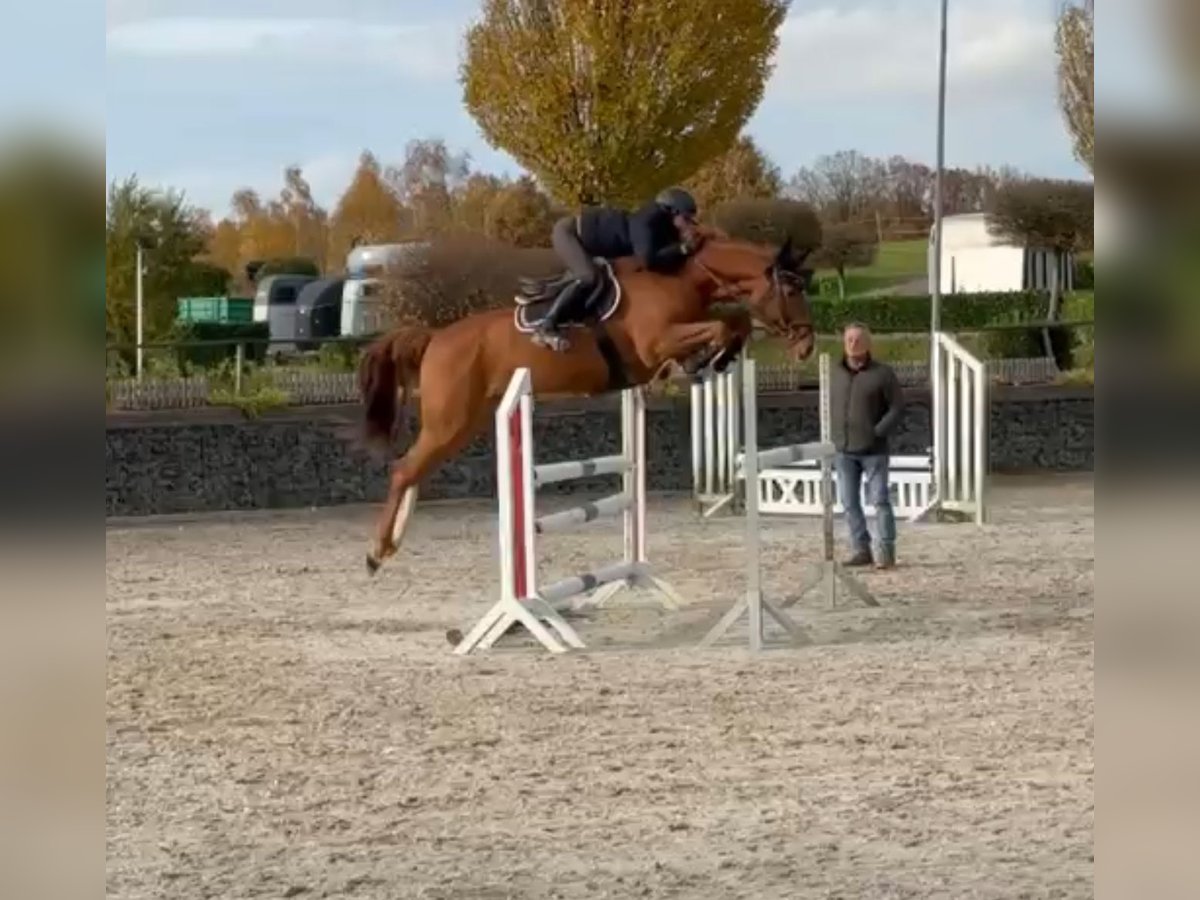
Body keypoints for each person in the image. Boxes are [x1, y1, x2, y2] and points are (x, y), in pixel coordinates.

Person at [533, 187, 700, 350]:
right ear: (671, 212)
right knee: (589, 277)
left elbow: (664, 255)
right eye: (686, 219)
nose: (686, 225)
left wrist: (683, 248)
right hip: (569, 234)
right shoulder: (645, 223)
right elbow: (648, 260)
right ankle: (546, 326)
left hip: (588, 243)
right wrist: (682, 249)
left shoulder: (660, 224)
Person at [828, 322, 905, 569]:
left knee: (880, 500)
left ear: (868, 343)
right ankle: (861, 549)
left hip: (874, 451)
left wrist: (878, 431)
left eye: (858, 339)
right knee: (849, 502)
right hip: (844, 450)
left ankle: (886, 550)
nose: (853, 344)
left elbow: (897, 407)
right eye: (849, 339)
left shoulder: (883, 374)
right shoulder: (834, 373)